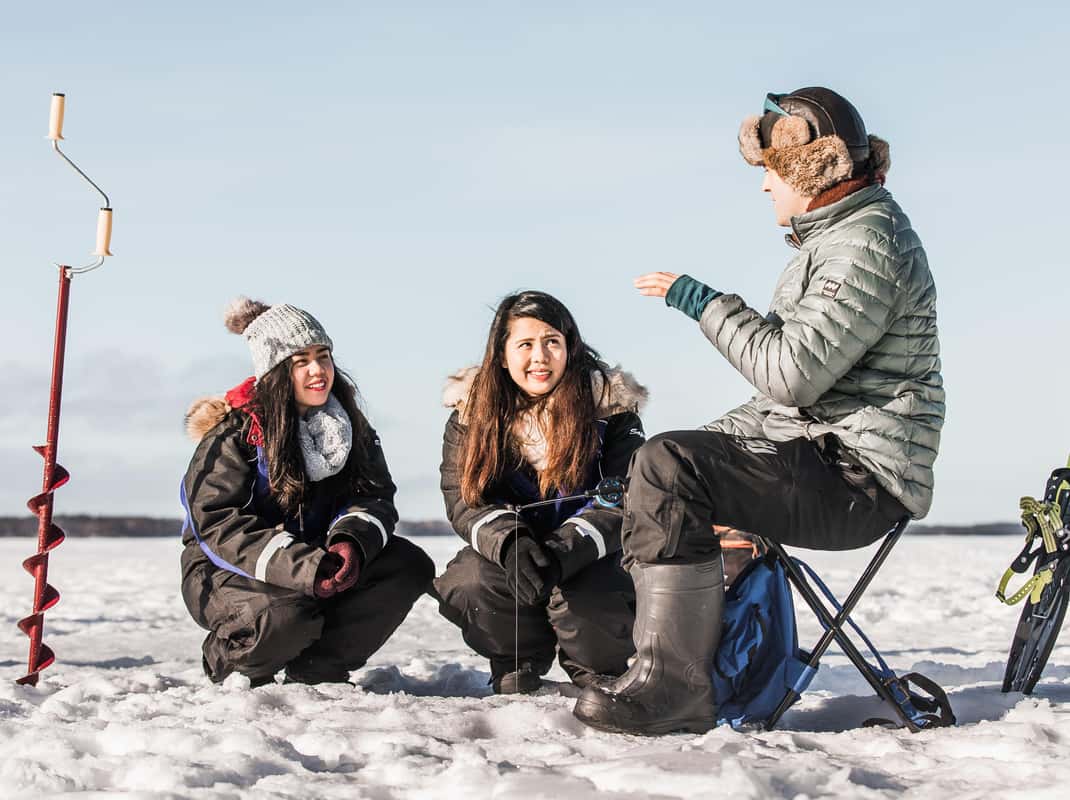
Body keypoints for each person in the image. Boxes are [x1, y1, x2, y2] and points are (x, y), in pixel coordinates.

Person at [574, 87, 944, 734]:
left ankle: (671, 689)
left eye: (772, 173)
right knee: (662, 464)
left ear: (810, 173)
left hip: (858, 481)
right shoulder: (838, 242)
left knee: (667, 464)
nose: (765, 188)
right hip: (828, 459)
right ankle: (667, 672)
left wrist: (703, 303)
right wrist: (660, 466)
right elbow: (787, 398)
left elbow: (790, 375)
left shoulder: (864, 248)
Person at [180, 296, 434, 686]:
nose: (318, 370)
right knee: (286, 616)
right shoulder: (235, 433)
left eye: (323, 356)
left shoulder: (349, 427)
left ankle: (319, 667)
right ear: (276, 370)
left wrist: (350, 542)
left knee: (406, 565)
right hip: (227, 569)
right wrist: (304, 567)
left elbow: (373, 496)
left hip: (318, 560)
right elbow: (217, 524)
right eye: (301, 361)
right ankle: (234, 663)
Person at [434, 291, 648, 693]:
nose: (540, 357)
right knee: (469, 581)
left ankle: (596, 669)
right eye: (525, 344)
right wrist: (512, 543)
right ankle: (518, 661)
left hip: (591, 553)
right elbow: (463, 496)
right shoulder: (470, 412)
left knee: (593, 598)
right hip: (512, 554)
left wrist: (564, 551)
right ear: (501, 354)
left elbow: (623, 493)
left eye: (552, 342)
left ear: (570, 346)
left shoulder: (611, 406)